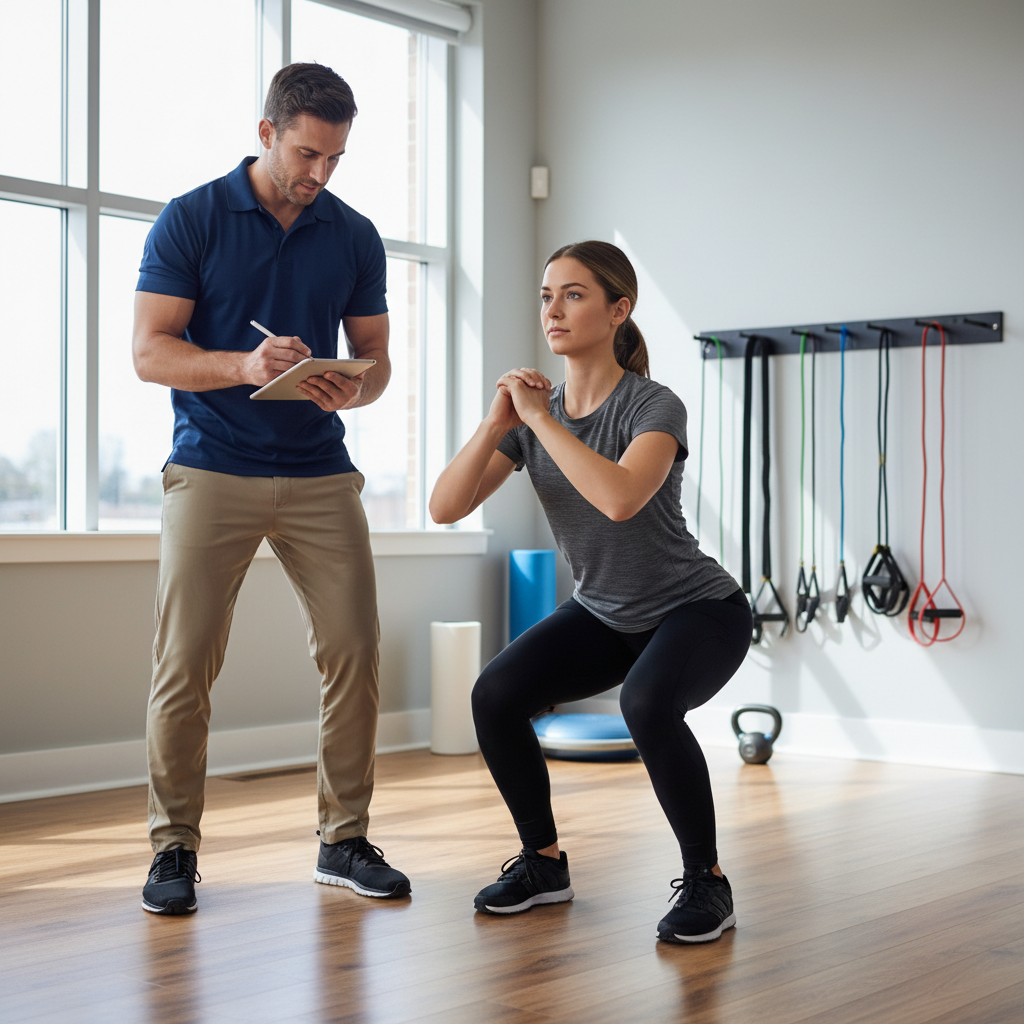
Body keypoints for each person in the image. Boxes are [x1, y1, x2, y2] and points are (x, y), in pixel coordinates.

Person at [132, 63, 410, 915]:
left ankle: (343, 839)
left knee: (356, 650)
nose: (319, 174)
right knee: (185, 663)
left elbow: (378, 363)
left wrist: (349, 385)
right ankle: (173, 849)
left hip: (320, 469)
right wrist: (243, 365)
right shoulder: (192, 219)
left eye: (334, 157)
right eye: (305, 153)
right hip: (212, 464)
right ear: (266, 133)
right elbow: (151, 351)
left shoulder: (353, 235)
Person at [429, 240, 751, 943]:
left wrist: (542, 420)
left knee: (646, 703)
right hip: (606, 612)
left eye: (574, 294)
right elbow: (444, 508)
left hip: (698, 609)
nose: (554, 309)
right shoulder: (528, 419)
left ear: (618, 310)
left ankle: (708, 883)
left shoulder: (653, 406)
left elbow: (621, 500)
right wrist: (496, 425)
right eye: (547, 295)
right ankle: (543, 864)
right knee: (495, 695)